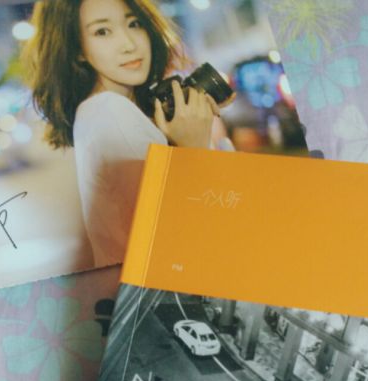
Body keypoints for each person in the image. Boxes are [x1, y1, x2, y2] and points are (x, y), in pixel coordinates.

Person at [23, 0, 224, 266]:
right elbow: (177, 237)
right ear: (77, 49)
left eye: (134, 24)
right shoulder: (111, 111)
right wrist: (194, 148)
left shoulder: (101, 110)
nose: (129, 44)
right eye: (102, 32)